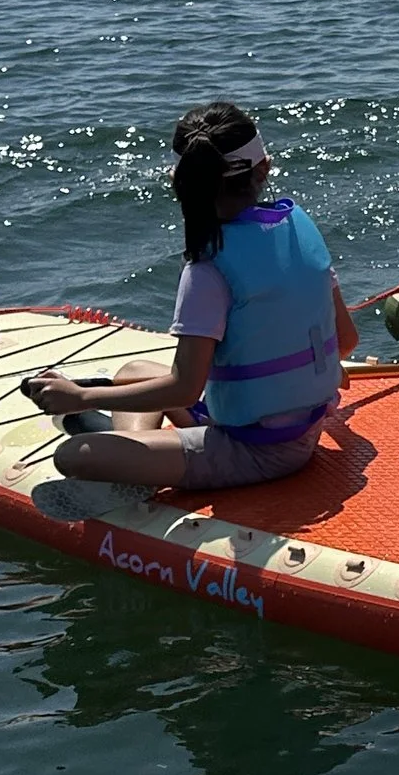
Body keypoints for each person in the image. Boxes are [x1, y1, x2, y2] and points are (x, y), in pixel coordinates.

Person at [22, 100, 356, 486]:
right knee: (131, 373)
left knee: (74, 455)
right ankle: (137, 449)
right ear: (264, 167)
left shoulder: (208, 268)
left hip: (258, 451)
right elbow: (346, 341)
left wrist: (82, 398)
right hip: (299, 427)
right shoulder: (298, 227)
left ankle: (134, 462)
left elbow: (186, 387)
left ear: (179, 178)